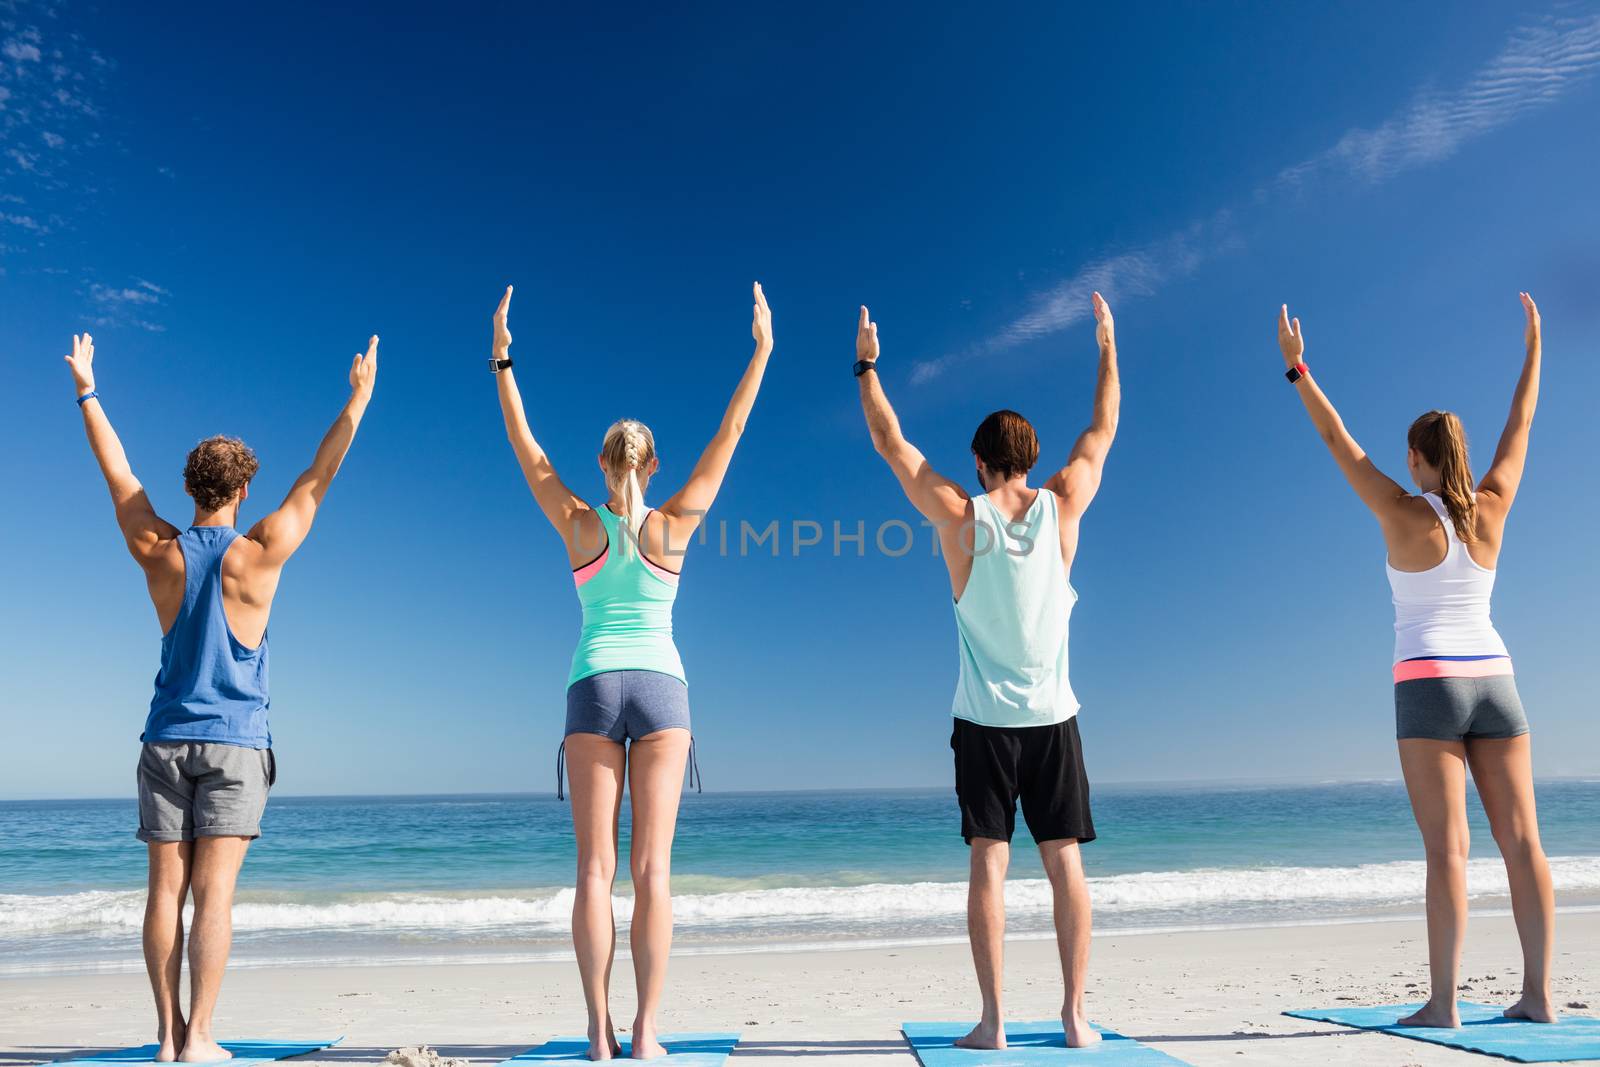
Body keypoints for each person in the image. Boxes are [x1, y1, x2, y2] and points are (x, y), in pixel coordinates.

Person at [65, 332, 379, 1062]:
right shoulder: (262, 550)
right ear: (242, 491)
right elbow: (317, 477)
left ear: (189, 488)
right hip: (235, 743)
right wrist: (358, 399)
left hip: (164, 739)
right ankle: (201, 1035)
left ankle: (169, 1037)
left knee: (164, 891)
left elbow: (116, 472)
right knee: (214, 897)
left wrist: (88, 388)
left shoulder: (157, 549)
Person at [487, 282, 774, 1060]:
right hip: (661, 687)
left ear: (604, 462)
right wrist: (762, 350)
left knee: (594, 868)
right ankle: (647, 1032)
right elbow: (732, 430)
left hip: (592, 683)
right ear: (654, 463)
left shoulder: (579, 522)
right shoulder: (674, 524)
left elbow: (526, 447)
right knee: (653, 869)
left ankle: (599, 1030)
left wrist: (503, 357)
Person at [1276, 294, 1554, 1027]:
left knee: (1448, 851)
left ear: (1418, 458)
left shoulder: (1400, 511)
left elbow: (1340, 443)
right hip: (1498, 679)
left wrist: (1298, 369)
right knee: (1523, 840)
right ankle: (1539, 995)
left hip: (1430, 683)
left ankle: (1443, 1003)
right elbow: (1520, 426)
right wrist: (1534, 350)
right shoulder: (1492, 507)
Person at [854, 294, 1120, 1049]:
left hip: (984, 726)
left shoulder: (959, 517)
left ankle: (996, 1022)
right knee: (1064, 860)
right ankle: (1074, 1016)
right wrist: (1106, 346)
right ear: (1032, 456)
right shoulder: (1065, 502)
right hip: (1055, 719)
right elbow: (1103, 429)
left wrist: (867, 364)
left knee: (990, 865)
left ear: (978, 460)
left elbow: (890, 442)